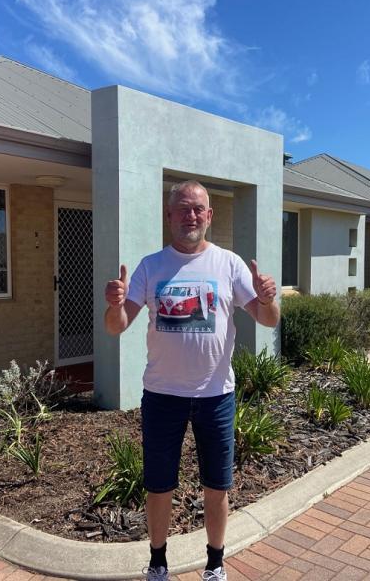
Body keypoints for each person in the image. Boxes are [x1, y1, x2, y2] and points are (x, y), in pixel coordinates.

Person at [104, 180, 279, 581]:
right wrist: (114, 305)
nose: (191, 216)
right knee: (159, 486)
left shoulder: (229, 264)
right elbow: (117, 326)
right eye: (182, 209)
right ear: (169, 216)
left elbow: (268, 320)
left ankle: (215, 565)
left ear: (210, 216)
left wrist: (269, 300)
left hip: (216, 397)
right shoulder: (151, 266)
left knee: (217, 486)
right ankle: (158, 562)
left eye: (198, 209)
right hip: (162, 396)